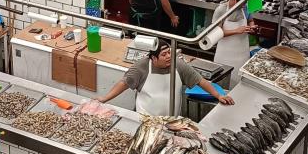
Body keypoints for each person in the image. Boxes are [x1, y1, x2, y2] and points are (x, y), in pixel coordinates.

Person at [98, 41, 234, 115]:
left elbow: (200, 80)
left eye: (169, 52)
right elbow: (124, 83)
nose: (169, 56)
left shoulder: (179, 65)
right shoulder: (141, 67)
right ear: (153, 58)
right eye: (164, 54)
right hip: (146, 120)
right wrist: (104, 98)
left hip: (171, 122)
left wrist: (218, 96)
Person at [212, 0, 256, 85]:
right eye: (243, 3)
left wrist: (252, 27)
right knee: (223, 83)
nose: (244, 6)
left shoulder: (244, 8)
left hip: (242, 55)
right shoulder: (221, 10)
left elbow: (250, 20)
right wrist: (236, 31)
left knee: (240, 84)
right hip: (225, 56)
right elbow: (216, 33)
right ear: (235, 0)